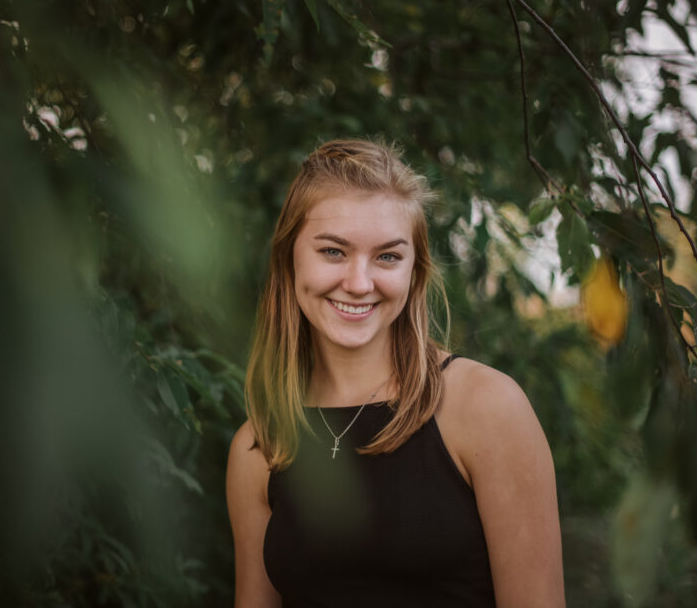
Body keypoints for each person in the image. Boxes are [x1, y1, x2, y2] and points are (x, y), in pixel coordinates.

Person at [226, 139, 565, 607]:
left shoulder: (487, 407)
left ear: (414, 271)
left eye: (387, 256)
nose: (359, 283)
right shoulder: (259, 444)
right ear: (289, 257)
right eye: (333, 251)